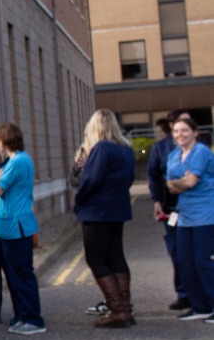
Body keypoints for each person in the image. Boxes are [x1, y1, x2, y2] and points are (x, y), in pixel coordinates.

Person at [72, 109, 137, 328]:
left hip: (96, 210)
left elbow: (91, 180)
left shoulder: (100, 148)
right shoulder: (125, 149)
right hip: (117, 208)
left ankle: (117, 310)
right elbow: (129, 178)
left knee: (96, 259)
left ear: (95, 126)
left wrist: (79, 199)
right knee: (116, 257)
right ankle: (125, 308)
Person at [0, 122, 46, 335]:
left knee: (22, 275)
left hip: (16, 226)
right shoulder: (15, 160)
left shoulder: (18, 161)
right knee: (15, 275)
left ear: (4, 140)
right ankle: (22, 315)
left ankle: (33, 318)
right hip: (10, 226)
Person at [166, 116, 214, 322]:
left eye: (184, 130)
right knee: (183, 261)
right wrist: (180, 182)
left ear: (195, 133)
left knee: (203, 262)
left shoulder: (201, 151)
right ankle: (200, 306)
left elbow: (191, 182)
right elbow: (169, 184)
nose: (180, 135)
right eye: (176, 131)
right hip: (184, 215)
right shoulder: (174, 154)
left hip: (206, 214)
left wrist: (180, 182)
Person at [148, 113, 190, 310]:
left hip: (196, 209)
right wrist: (156, 200)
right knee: (176, 251)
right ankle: (183, 293)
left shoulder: (200, 148)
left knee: (198, 252)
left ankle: (201, 294)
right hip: (171, 208)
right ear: (172, 125)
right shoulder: (161, 148)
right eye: (180, 125)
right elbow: (154, 176)